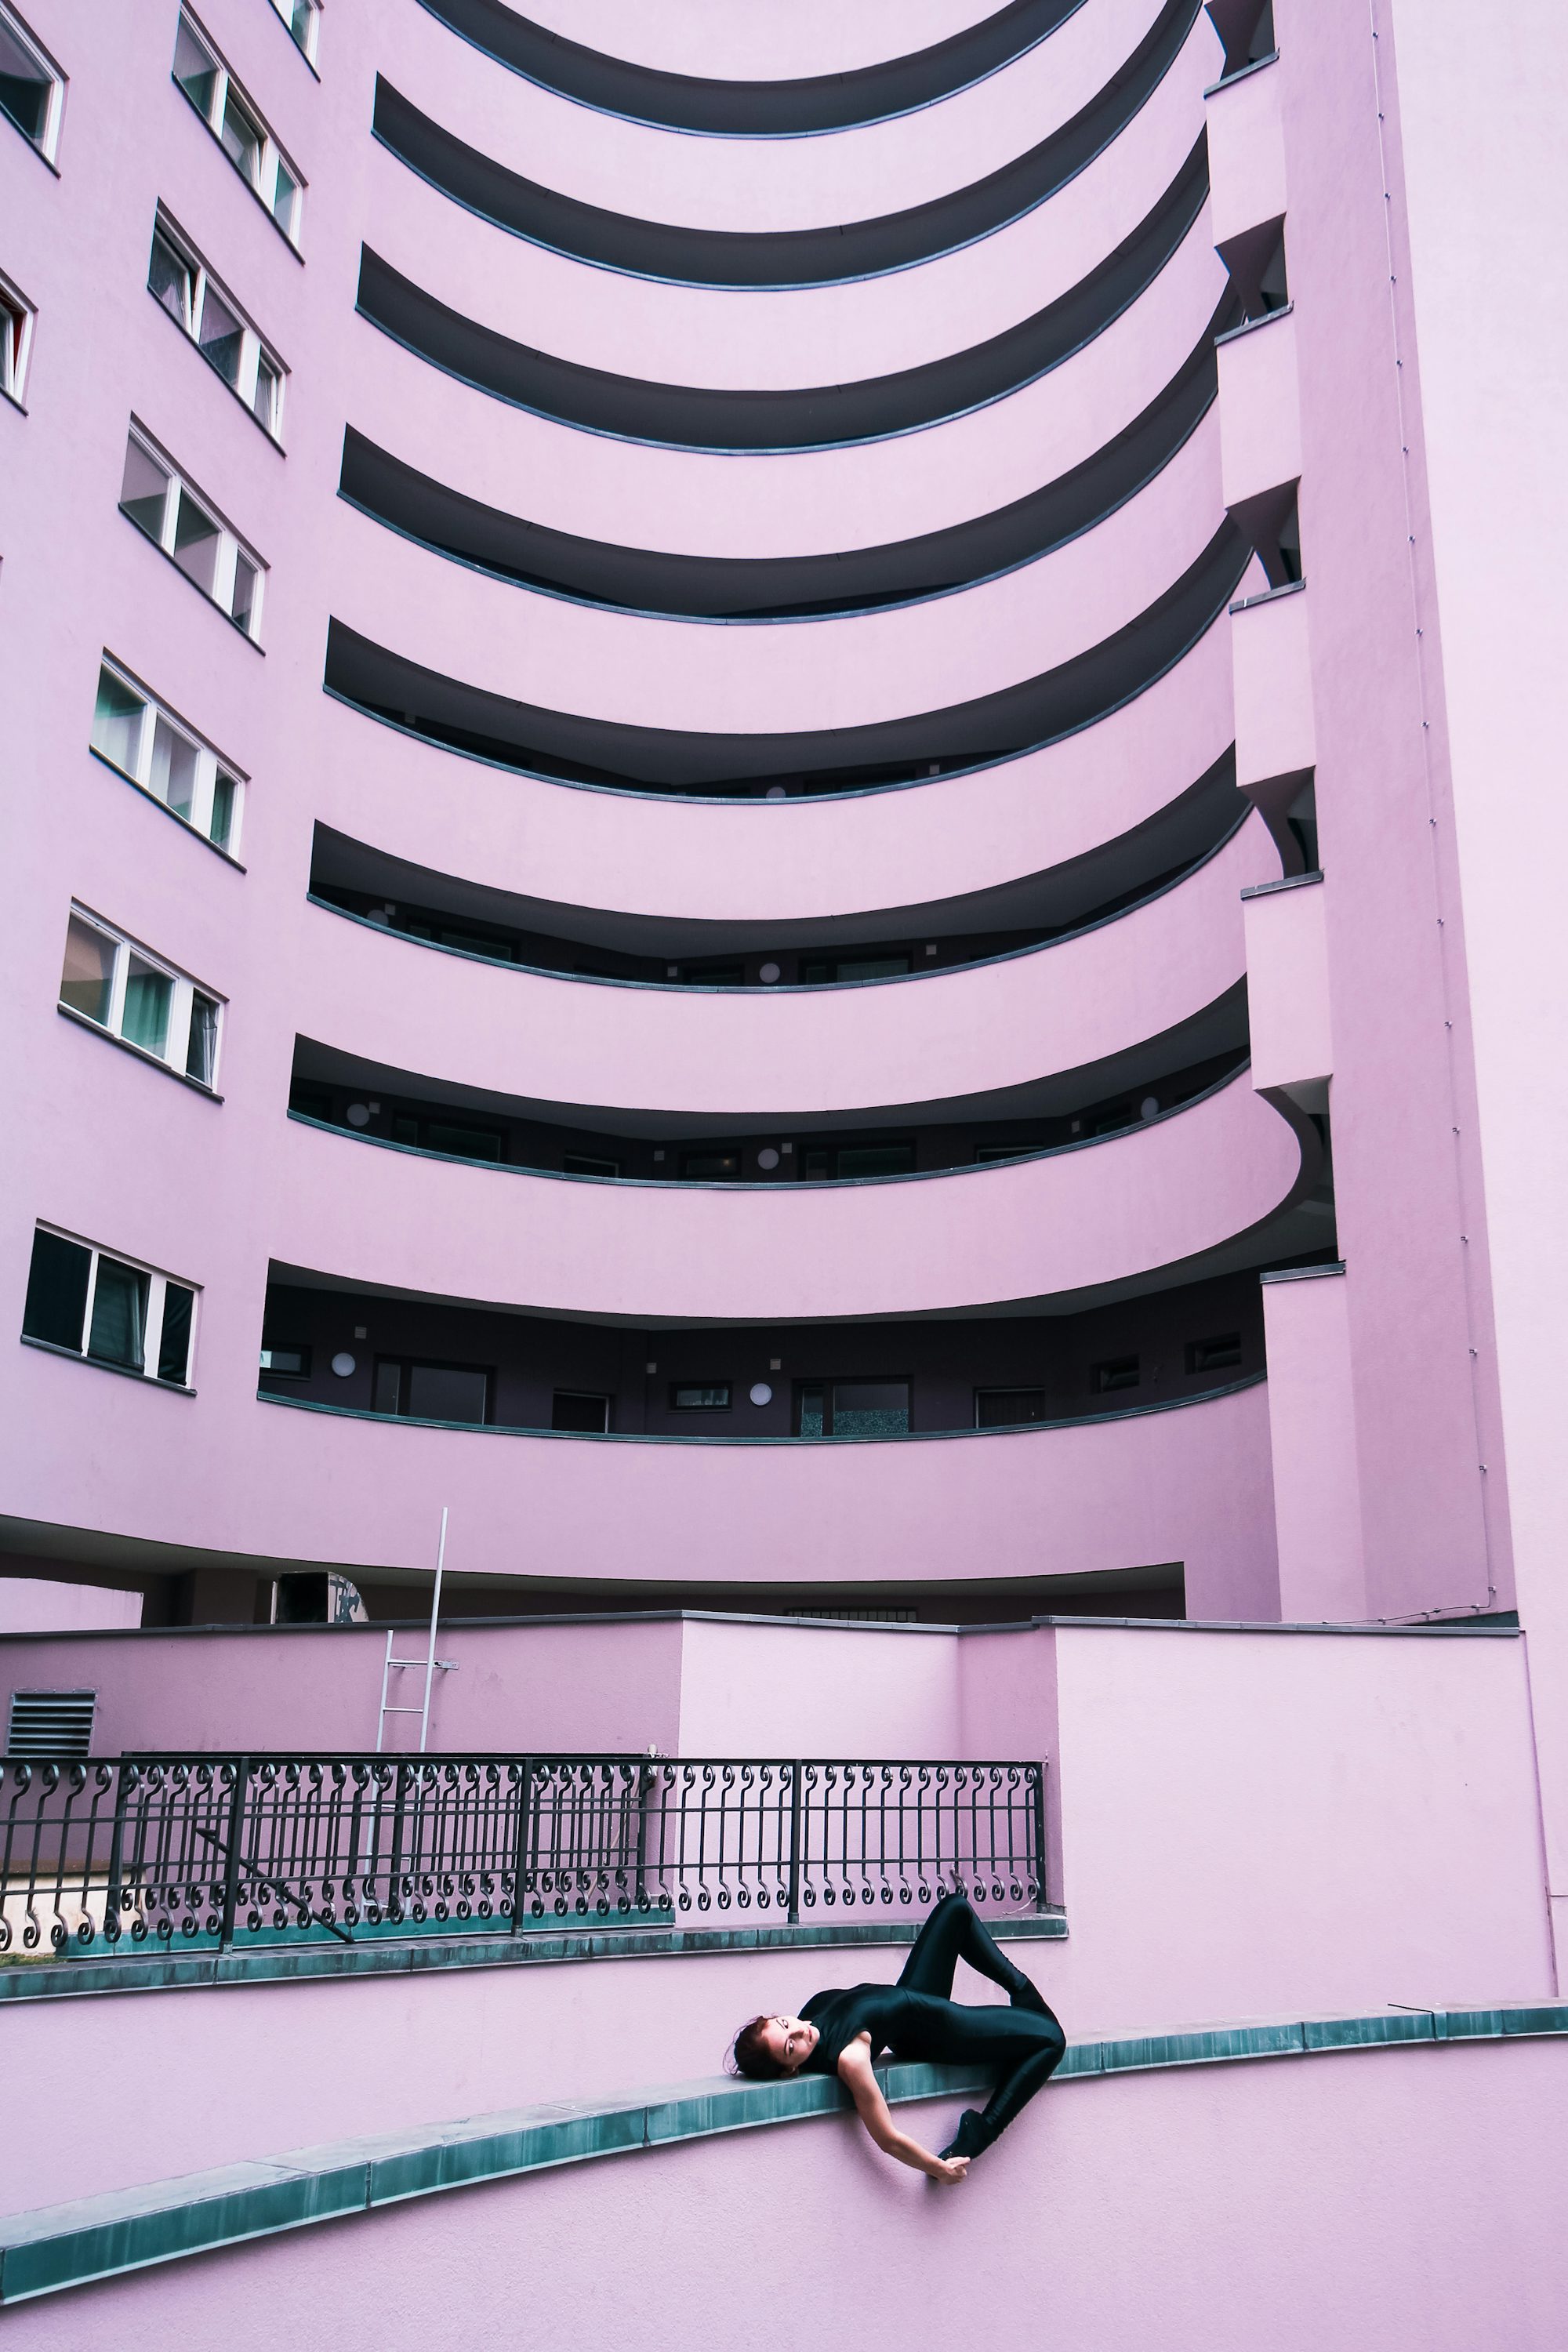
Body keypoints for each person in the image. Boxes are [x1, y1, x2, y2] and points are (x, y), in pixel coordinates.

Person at [728, 1889, 1065, 2182]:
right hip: (944, 2033)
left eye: (785, 2024)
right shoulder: (850, 2057)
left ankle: (1022, 1989)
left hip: (917, 2000)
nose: (800, 2030)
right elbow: (887, 2137)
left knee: (956, 1908)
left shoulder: (811, 2011)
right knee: (1051, 2038)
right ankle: (983, 2130)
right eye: (791, 2046)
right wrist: (938, 2168)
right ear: (791, 2069)